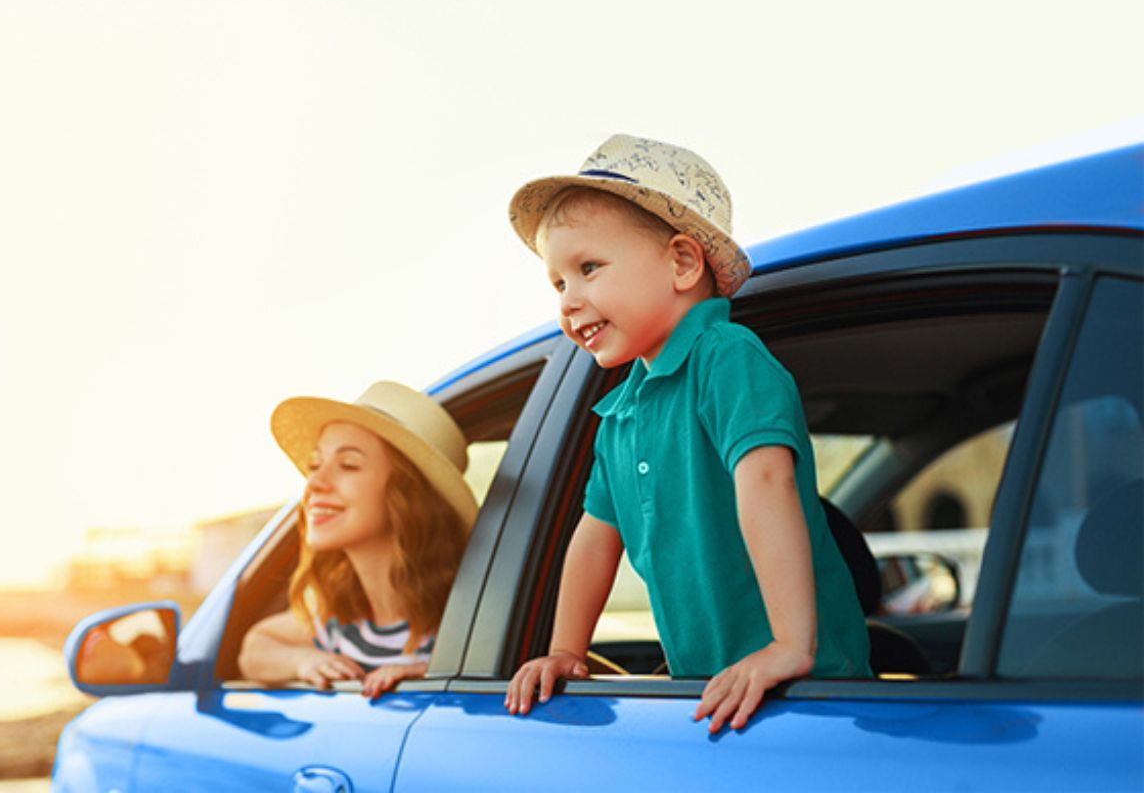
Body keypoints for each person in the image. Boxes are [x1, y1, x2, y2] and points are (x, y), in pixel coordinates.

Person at [503, 134, 870, 732]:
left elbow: (768, 481)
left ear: (681, 263)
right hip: (712, 694)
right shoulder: (619, 415)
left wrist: (789, 645)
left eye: (588, 269)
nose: (569, 302)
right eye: (559, 284)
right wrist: (567, 649)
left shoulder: (725, 356)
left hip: (815, 693)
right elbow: (595, 539)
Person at [238, 381, 476, 699]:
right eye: (314, 465)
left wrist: (434, 671)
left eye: (348, 465)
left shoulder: (469, 619)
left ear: (407, 496)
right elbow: (254, 649)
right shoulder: (343, 621)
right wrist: (304, 662)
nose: (314, 482)